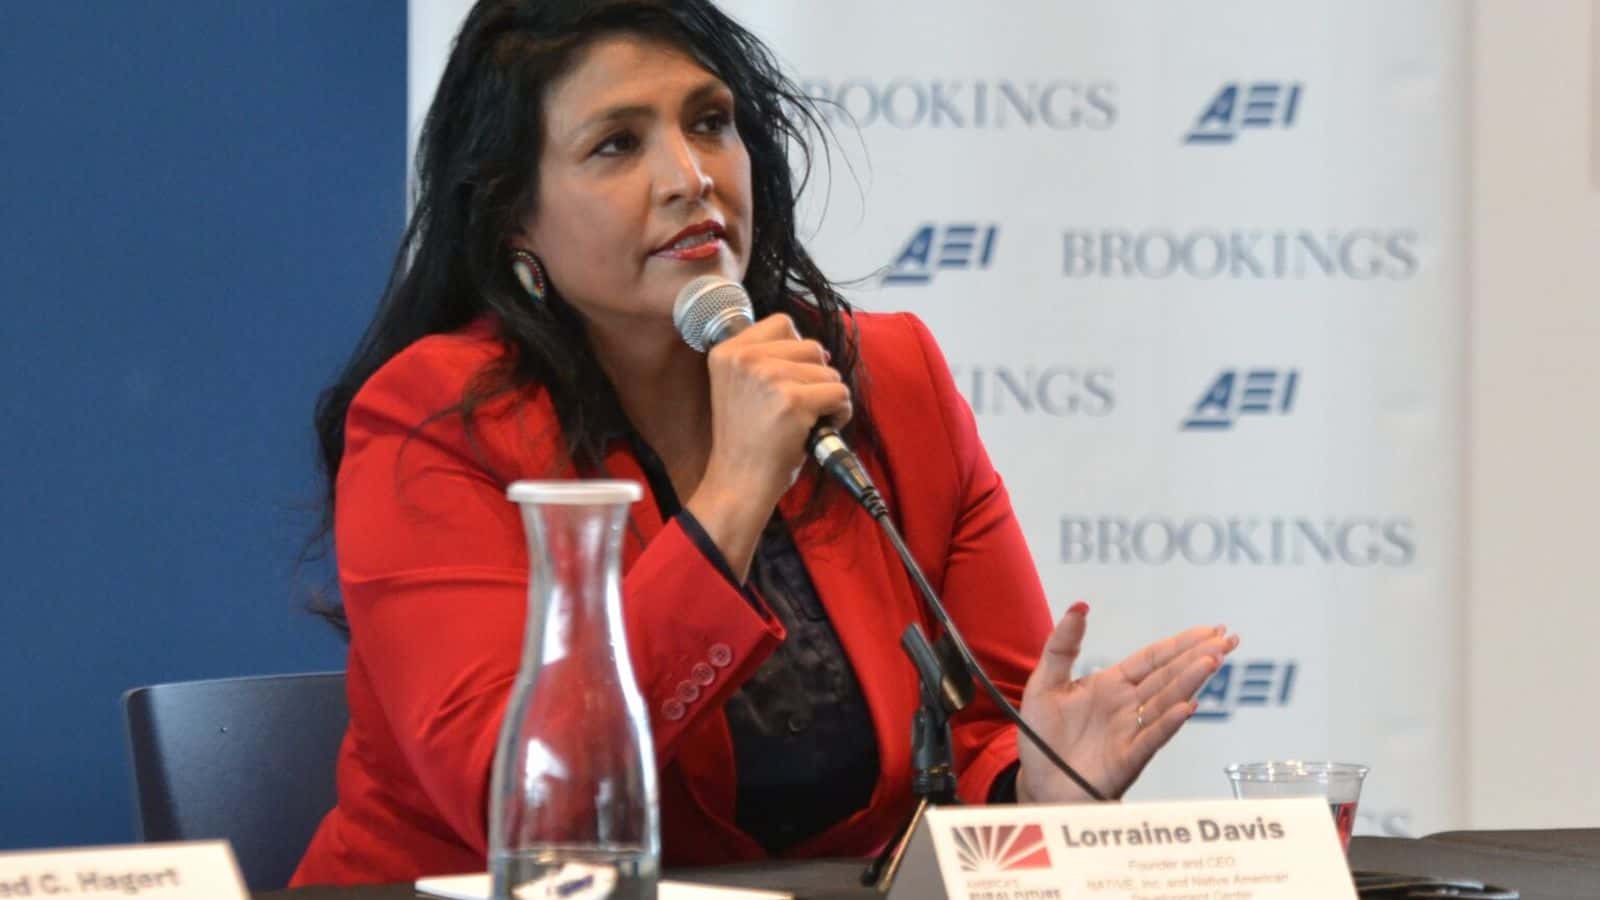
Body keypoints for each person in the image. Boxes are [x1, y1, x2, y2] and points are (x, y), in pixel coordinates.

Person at [292, 0, 1238, 886]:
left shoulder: (885, 380)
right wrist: (735, 494)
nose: (690, 177)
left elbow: (994, 724)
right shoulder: (436, 423)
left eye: (709, 122)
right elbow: (532, 803)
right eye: (617, 144)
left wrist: (1033, 790)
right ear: (514, 218)